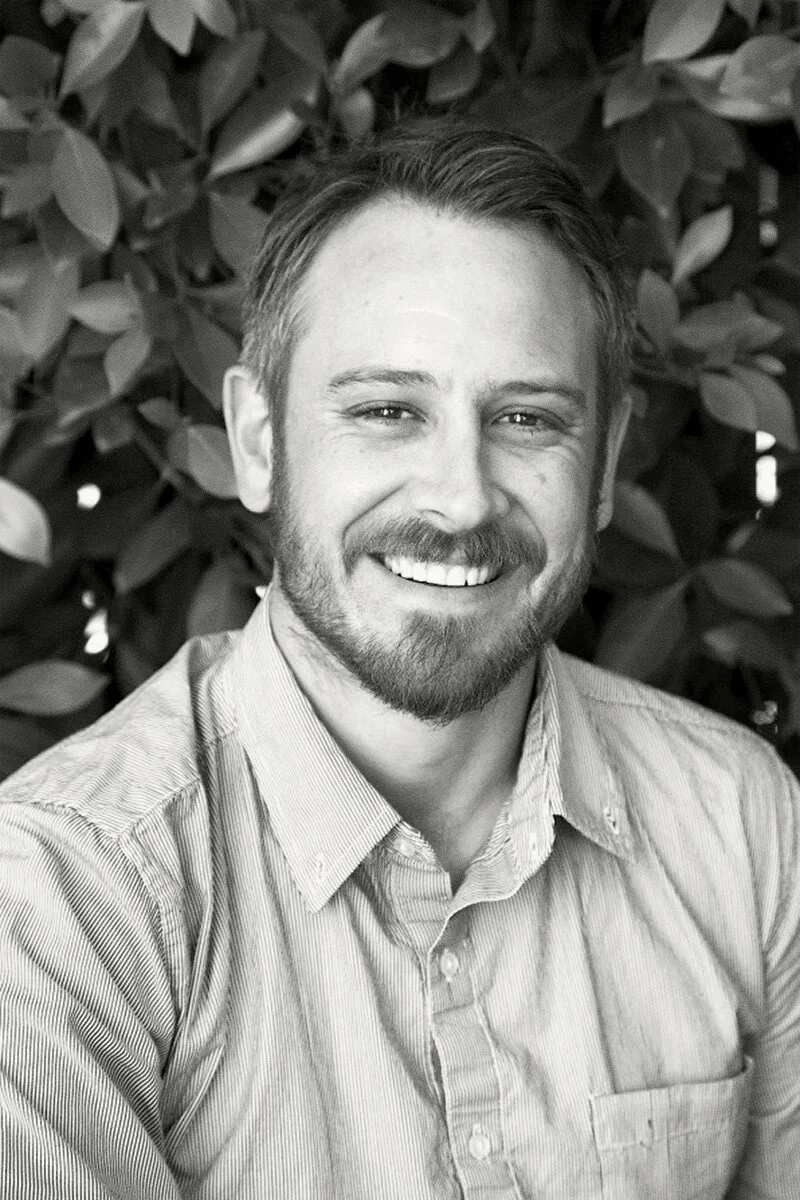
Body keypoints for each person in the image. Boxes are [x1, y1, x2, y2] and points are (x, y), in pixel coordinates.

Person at [0, 122, 798, 1200]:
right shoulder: (63, 900)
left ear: (604, 464)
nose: (461, 499)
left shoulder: (740, 820)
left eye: (526, 417)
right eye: (386, 411)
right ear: (257, 440)